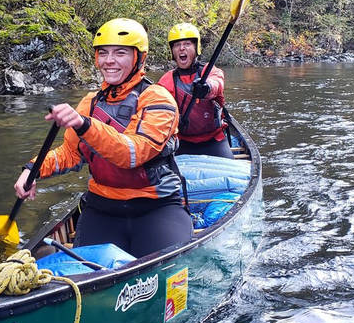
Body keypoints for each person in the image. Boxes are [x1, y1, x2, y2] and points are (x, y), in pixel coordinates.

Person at [14, 18, 193, 258]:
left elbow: (132, 153)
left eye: (120, 53)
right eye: (103, 53)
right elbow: (70, 154)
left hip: (155, 206)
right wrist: (32, 169)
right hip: (102, 207)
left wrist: (83, 124)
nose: (109, 61)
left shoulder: (158, 100)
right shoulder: (90, 102)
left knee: (170, 269)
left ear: (139, 57)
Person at [158, 21, 234, 159]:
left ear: (196, 47)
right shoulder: (167, 79)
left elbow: (217, 83)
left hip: (214, 140)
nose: (181, 48)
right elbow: (158, 106)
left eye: (187, 44)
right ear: (172, 51)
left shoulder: (209, 71)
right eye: (177, 45)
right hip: (182, 142)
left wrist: (207, 88)